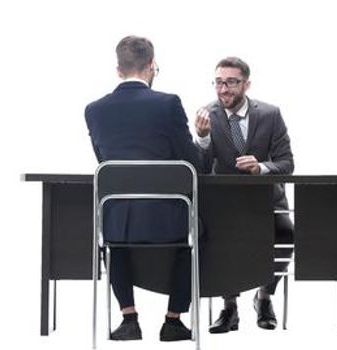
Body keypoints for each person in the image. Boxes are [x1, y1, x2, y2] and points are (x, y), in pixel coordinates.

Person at [82, 35, 204, 342]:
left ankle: (128, 319)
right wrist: (203, 140)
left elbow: (105, 161)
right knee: (197, 232)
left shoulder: (94, 109)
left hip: (118, 221)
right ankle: (173, 321)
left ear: (118, 69)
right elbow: (191, 163)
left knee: (114, 242)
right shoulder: (168, 104)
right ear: (151, 65)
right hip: (168, 219)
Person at [192, 57, 295, 334]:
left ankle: (264, 298)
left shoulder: (270, 114)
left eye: (231, 82)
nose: (223, 89)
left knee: (286, 236)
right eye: (219, 82)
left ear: (246, 84)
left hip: (266, 200)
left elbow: (287, 163)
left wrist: (261, 167)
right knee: (218, 240)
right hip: (224, 203)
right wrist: (201, 139)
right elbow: (199, 170)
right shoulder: (207, 115)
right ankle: (229, 308)